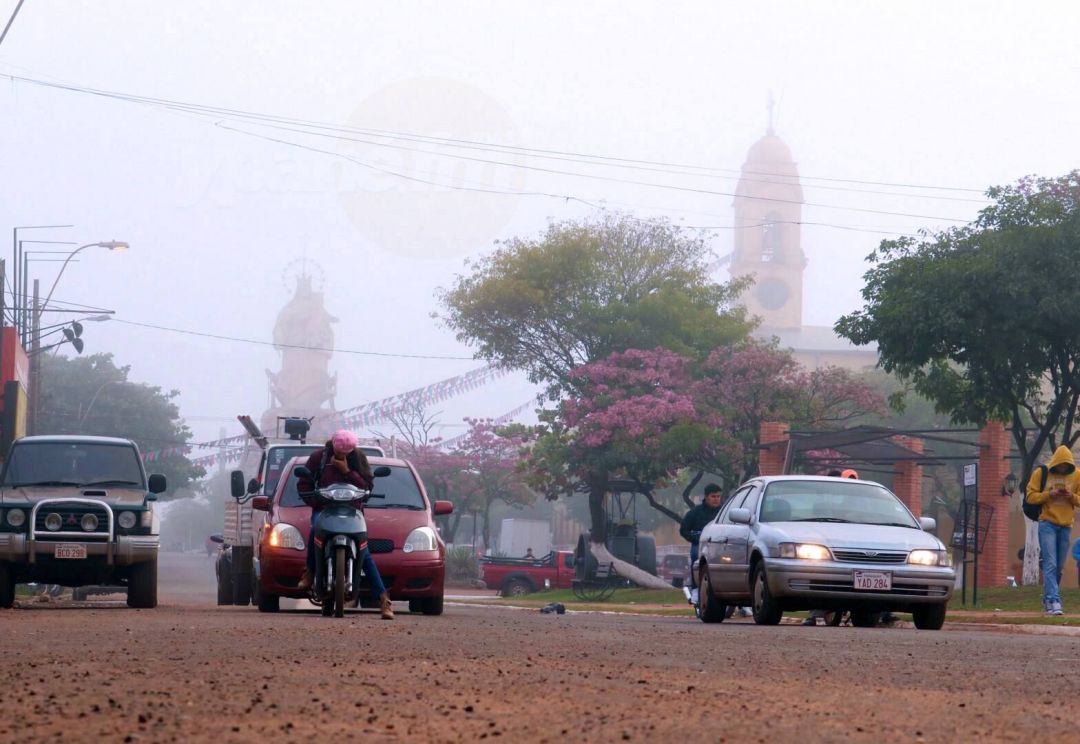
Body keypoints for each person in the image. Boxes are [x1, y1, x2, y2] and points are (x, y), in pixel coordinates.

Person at [297, 429, 394, 620]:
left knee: (364, 554)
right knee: (314, 528)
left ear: (352, 449)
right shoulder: (319, 457)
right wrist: (316, 502)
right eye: (339, 450)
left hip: (352, 512)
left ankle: (384, 600)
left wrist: (346, 471)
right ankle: (309, 571)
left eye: (346, 452)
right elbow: (303, 483)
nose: (341, 454)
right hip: (324, 509)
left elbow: (367, 486)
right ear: (332, 445)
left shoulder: (358, 459)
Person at [1027, 445, 1080, 616]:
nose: (1063, 469)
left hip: (1066, 525)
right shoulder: (1042, 473)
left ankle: (1048, 598)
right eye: (1061, 466)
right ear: (1056, 463)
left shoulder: (1077, 475)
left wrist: (1071, 496)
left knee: (1059, 567)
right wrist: (1049, 494)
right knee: (1050, 563)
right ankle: (1055, 600)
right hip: (1047, 523)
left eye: (1066, 467)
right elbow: (1030, 496)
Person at [680, 483, 724, 605]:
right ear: (706, 497)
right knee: (695, 556)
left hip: (720, 546)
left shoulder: (724, 512)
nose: (716, 499)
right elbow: (683, 530)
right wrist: (695, 538)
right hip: (700, 545)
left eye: (718, 496)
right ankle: (695, 589)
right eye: (713, 496)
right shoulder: (694, 513)